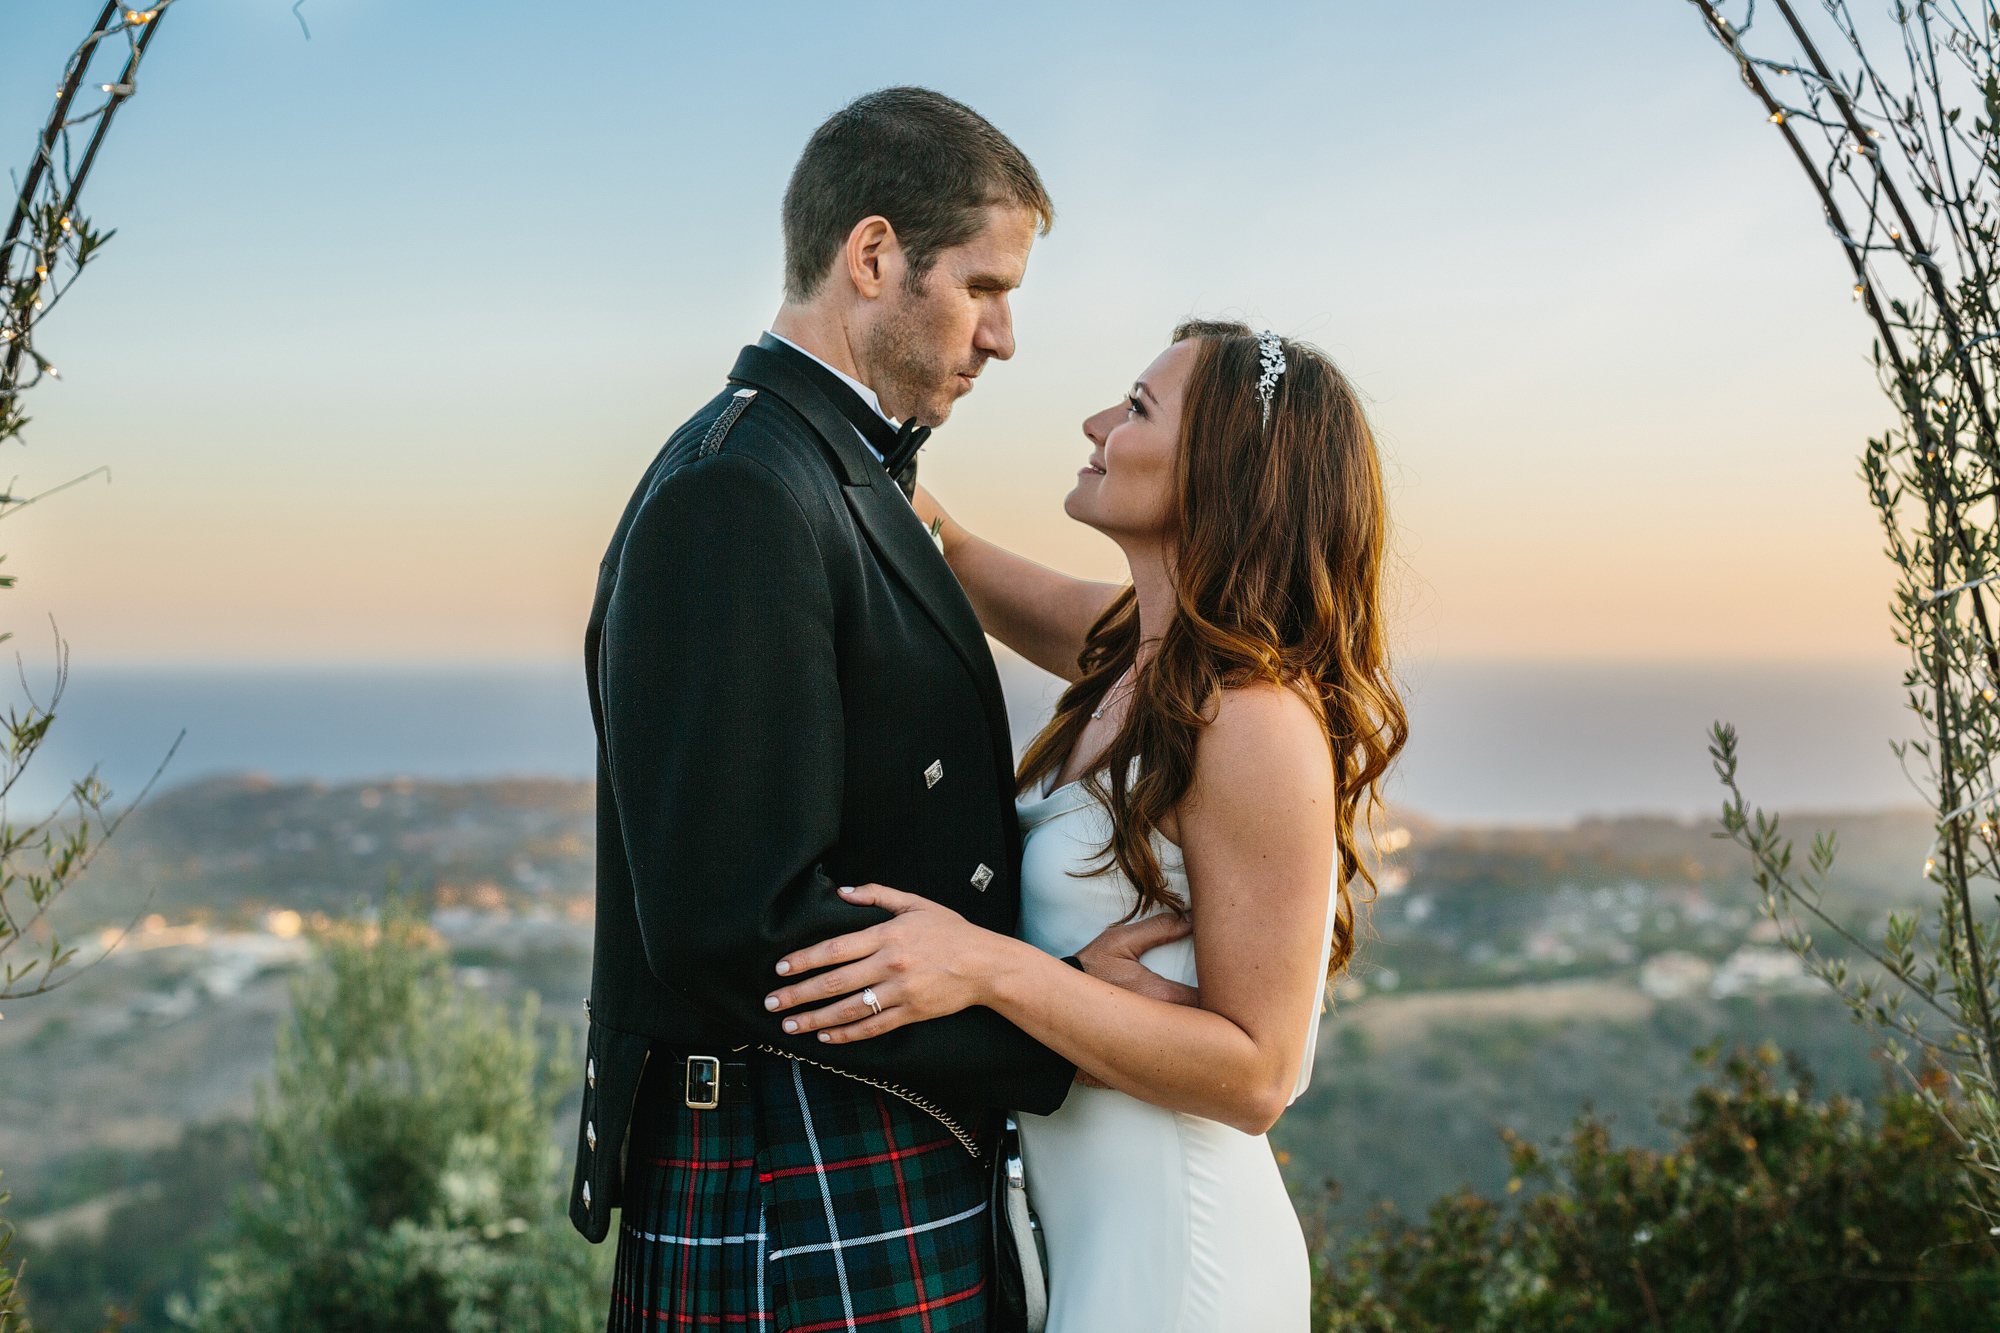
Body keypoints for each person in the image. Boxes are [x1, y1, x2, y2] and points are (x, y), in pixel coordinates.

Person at [570, 86, 1178, 1332]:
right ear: (872, 255)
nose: (1003, 336)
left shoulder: (832, 472)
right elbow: (736, 926)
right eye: (984, 287)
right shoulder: (736, 491)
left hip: (866, 1136)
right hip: (786, 1171)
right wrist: (1050, 1021)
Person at [764, 321, 1408, 1331]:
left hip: (1182, 1263)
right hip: (1088, 1245)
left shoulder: (1250, 718)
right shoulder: (1136, 651)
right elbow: (950, 550)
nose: (1095, 422)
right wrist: (828, 380)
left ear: (1220, 475)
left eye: (1138, 409)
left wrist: (992, 968)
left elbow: (1260, 1077)